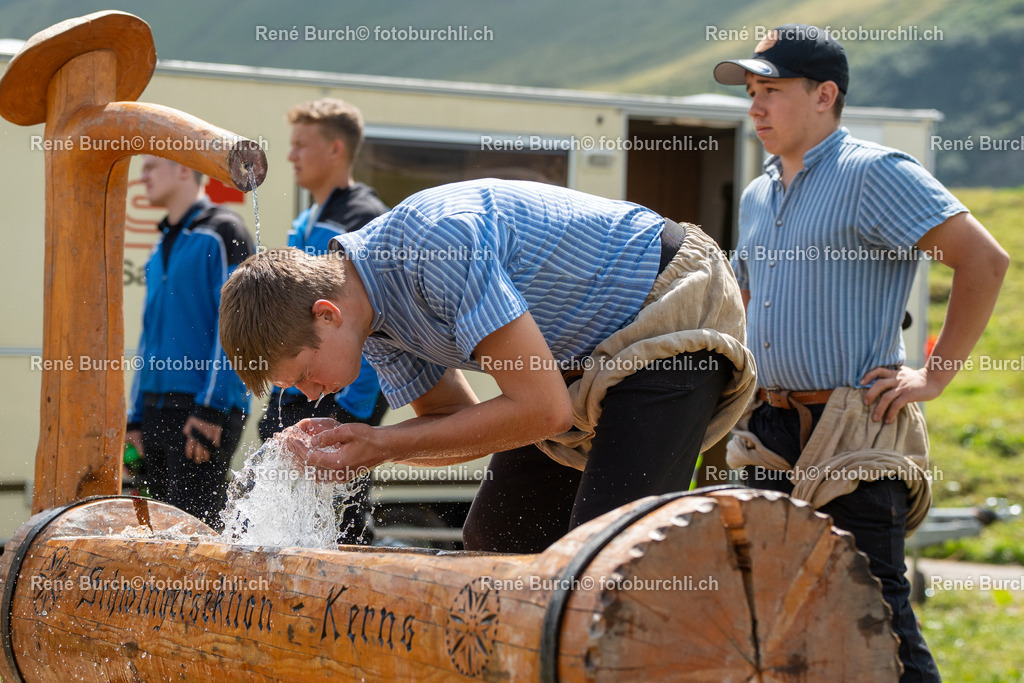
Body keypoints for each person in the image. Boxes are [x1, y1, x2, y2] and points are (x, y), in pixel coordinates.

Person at [219, 178, 758, 555]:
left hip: (668, 309)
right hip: (579, 364)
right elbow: (460, 425)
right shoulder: (372, 320)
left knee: (606, 558)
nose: (312, 394)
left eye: (305, 374)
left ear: (325, 314)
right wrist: (361, 448)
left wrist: (382, 444)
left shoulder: (436, 245)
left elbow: (542, 410)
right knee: (501, 538)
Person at [713, 24, 1008, 682]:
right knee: (767, 619)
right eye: (752, 92)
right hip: (766, 433)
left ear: (824, 95)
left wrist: (934, 374)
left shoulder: (876, 173)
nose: (756, 106)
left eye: (773, 91)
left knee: (872, 616)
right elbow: (742, 295)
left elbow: (984, 260)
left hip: (854, 431)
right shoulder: (761, 194)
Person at [258, 98, 390, 544]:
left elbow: (372, 325)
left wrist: (354, 408)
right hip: (306, 388)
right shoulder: (304, 221)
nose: (290, 155)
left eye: (300, 144)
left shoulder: (362, 218)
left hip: (343, 395)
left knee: (341, 519)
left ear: (336, 149)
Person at [126, 156, 254, 529]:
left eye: (151, 166)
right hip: (154, 413)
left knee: (196, 537)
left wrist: (212, 409)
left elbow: (236, 327)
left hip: (200, 412)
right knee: (154, 537)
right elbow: (149, 337)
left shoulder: (224, 230)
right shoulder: (159, 246)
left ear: (184, 169)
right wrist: (135, 417)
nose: (143, 174)